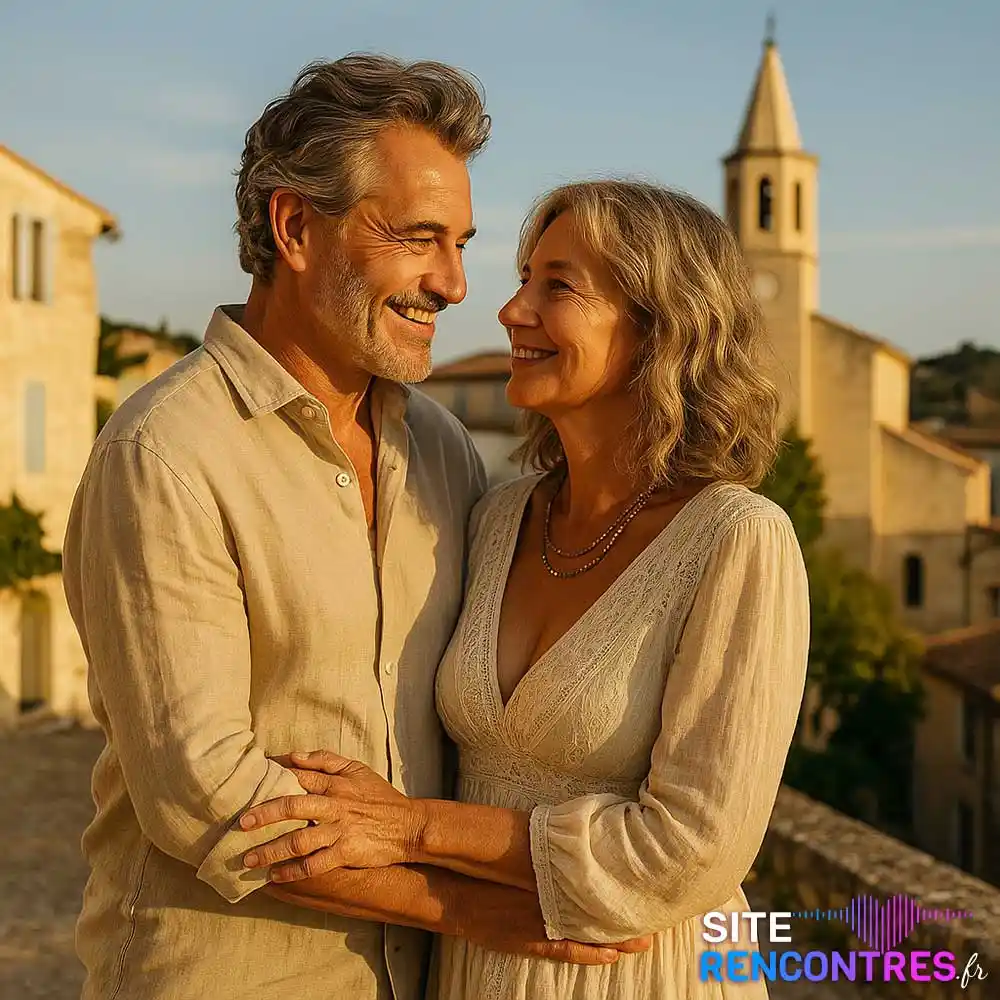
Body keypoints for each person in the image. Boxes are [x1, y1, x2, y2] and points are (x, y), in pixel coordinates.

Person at [62, 58, 641, 1000]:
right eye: (417, 238)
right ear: (296, 228)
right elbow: (205, 794)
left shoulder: (444, 452)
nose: (454, 285)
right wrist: (486, 915)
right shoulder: (164, 454)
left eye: (461, 244)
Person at [238, 180, 812, 999]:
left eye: (558, 287)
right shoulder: (497, 518)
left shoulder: (737, 540)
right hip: (473, 968)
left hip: (637, 974)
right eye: (522, 280)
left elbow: (690, 852)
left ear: (660, 328)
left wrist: (412, 828)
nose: (510, 311)